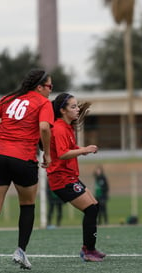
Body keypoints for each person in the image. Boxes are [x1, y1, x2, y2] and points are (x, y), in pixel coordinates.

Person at [0, 69, 54, 273]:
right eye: (50, 87)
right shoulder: (43, 102)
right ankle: (20, 252)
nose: (50, 91)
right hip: (23, 157)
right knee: (27, 205)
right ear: (39, 87)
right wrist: (47, 154)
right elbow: (45, 128)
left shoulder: (11, 97)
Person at [46, 92, 106, 262]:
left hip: (70, 176)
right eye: (73, 106)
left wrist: (81, 149)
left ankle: (90, 249)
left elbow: (70, 148)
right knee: (90, 209)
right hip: (61, 179)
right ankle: (88, 251)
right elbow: (63, 153)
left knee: (94, 206)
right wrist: (84, 149)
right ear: (62, 110)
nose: (77, 109)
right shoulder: (58, 128)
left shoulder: (67, 126)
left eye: (76, 105)